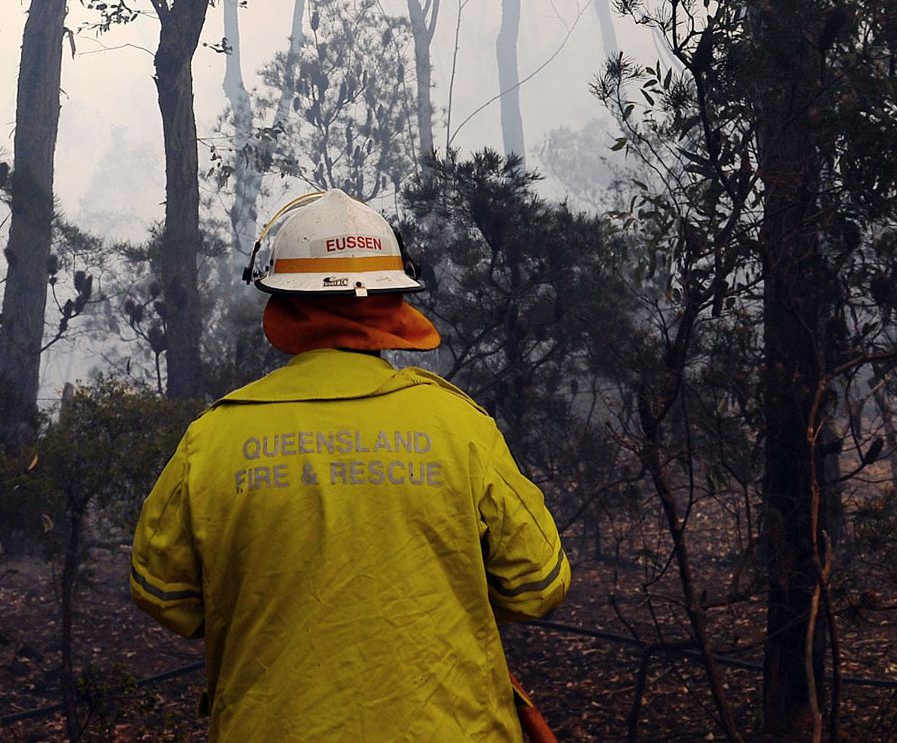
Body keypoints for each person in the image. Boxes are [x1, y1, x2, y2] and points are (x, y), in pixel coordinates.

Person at [129, 189, 568, 741]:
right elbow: (537, 584)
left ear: (282, 303)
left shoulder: (213, 439)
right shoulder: (458, 426)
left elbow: (162, 594)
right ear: (394, 302)